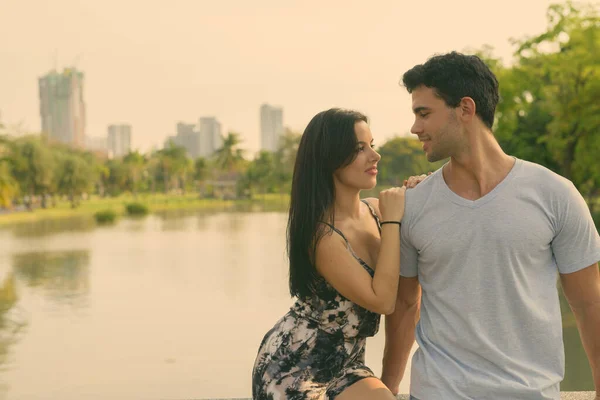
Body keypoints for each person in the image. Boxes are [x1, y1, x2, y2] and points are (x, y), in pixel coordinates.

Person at [381, 51, 600, 400]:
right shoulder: (415, 205)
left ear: (466, 109)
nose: (414, 128)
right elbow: (406, 306)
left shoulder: (555, 194)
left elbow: (589, 303)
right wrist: (388, 389)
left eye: (424, 113)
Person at [252, 108, 427, 399]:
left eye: (373, 145)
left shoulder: (376, 210)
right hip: (296, 367)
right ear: (330, 159)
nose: (375, 155)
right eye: (360, 148)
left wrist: (422, 195)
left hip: (348, 365)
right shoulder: (323, 236)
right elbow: (383, 301)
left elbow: (409, 292)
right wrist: (394, 220)